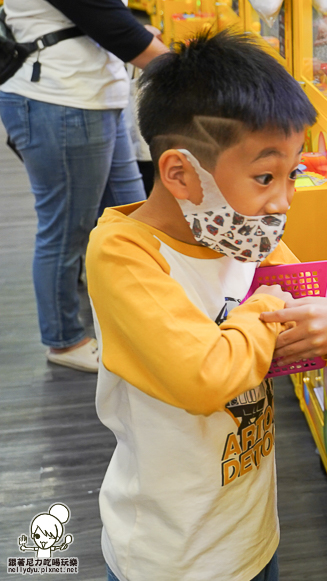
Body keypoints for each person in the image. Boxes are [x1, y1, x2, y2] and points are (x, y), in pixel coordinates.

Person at [85, 30, 327, 581]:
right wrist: (266, 306)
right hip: (171, 556)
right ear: (181, 174)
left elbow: (305, 325)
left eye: (293, 174)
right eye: (264, 176)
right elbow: (204, 376)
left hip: (251, 534)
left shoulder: (245, 234)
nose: (283, 200)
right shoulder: (125, 256)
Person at [0, 0, 169, 373]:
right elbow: (111, 24)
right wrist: (190, 71)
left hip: (94, 94)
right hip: (60, 100)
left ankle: (138, 321)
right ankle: (63, 340)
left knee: (135, 218)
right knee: (65, 230)